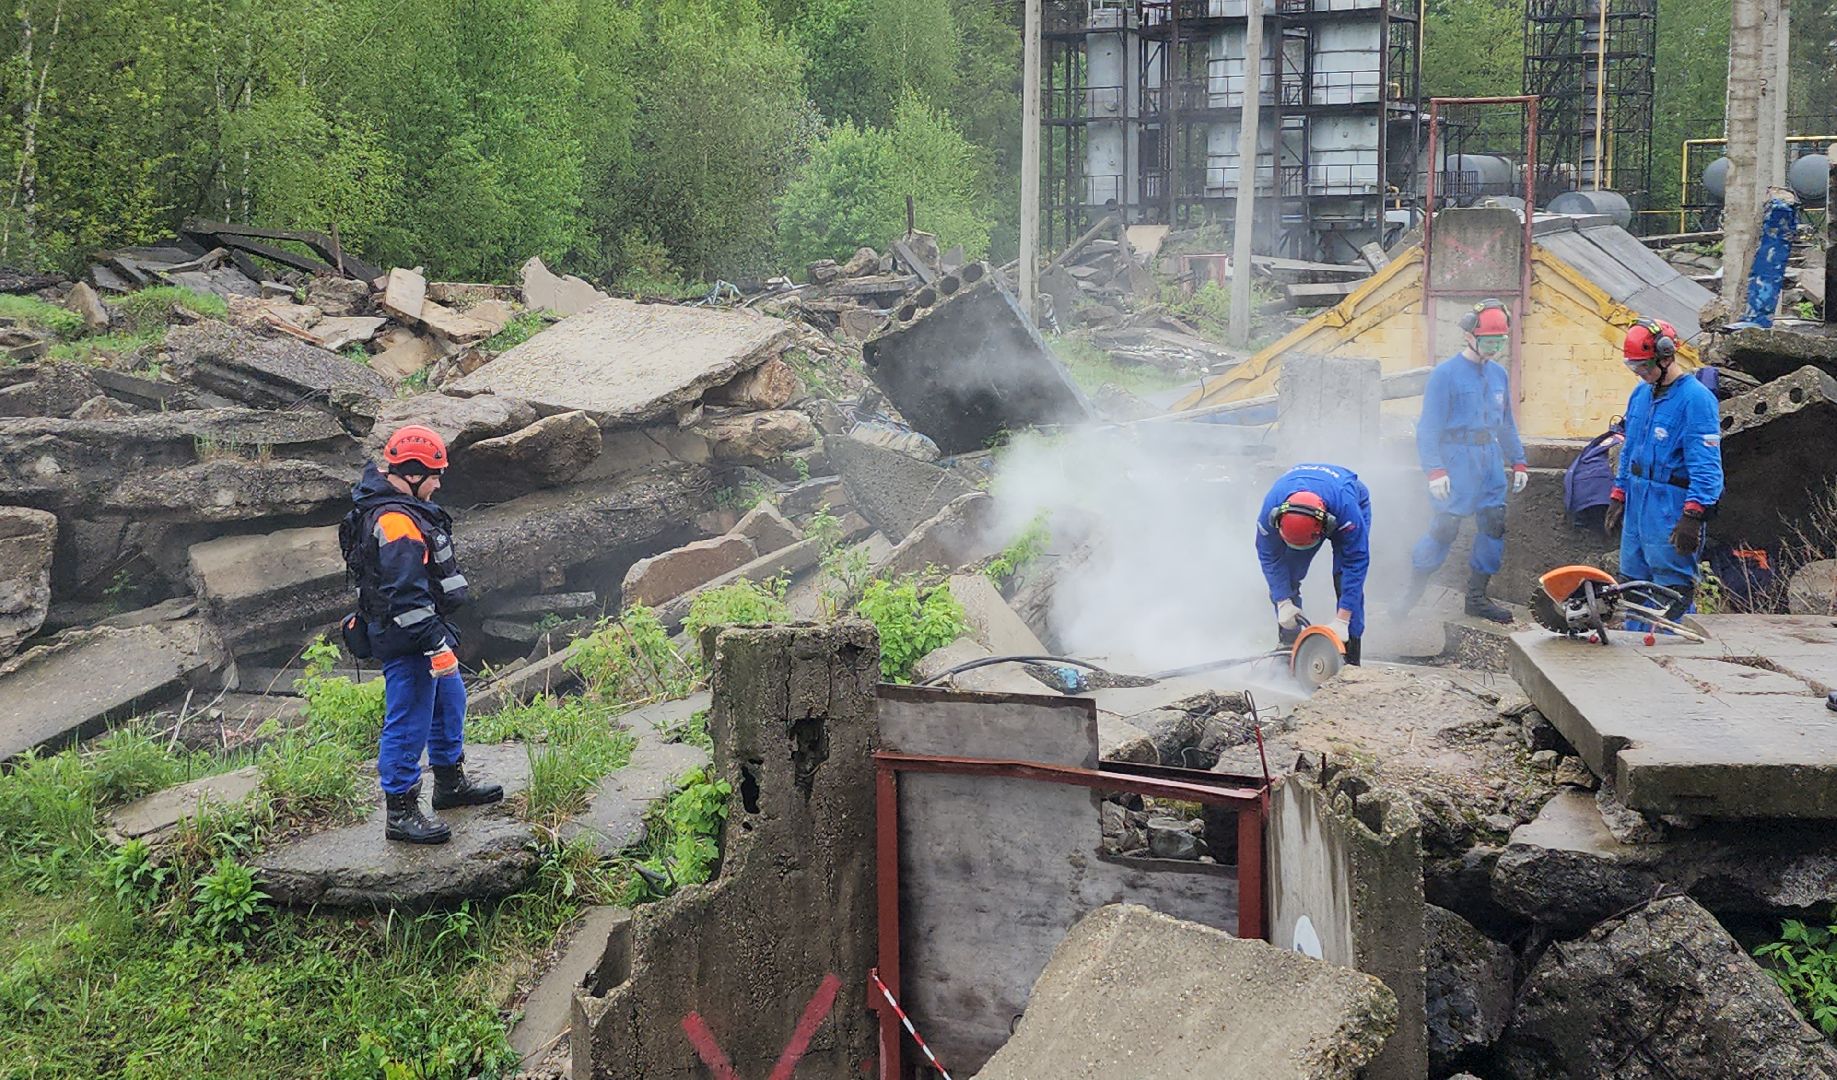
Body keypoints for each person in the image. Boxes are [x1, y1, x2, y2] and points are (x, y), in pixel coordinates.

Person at [343, 425, 501, 844]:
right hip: (408, 637)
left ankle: (450, 784)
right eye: (435, 474)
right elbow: (405, 595)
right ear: (411, 474)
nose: (439, 482)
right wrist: (434, 645)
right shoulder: (395, 522)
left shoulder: (403, 509)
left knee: (451, 701)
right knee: (409, 719)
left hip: (426, 629)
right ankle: (401, 810)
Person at [1396, 299, 1529, 623]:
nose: (1494, 348)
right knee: (1444, 528)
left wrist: (1519, 461)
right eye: (1489, 342)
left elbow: (1507, 422)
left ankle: (1477, 597)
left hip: (1490, 461)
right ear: (1470, 336)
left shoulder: (1498, 375)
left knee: (1493, 525)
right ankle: (1410, 595)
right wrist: (1435, 470)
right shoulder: (1445, 375)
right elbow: (1428, 428)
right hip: (1457, 462)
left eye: (1499, 342)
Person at [1606, 318, 1724, 622]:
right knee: (1631, 586)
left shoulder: (1696, 400)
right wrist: (1619, 493)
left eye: (1644, 367)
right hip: (1638, 500)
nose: (1640, 374)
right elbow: (1630, 448)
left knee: (1670, 590)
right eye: (1635, 368)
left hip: (1670, 506)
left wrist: (1694, 515)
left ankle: (1671, 656)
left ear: (1666, 355)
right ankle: (1635, 656)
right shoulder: (1641, 395)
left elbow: (1707, 465)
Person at [1255, 462, 1372, 666]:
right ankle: (1288, 649)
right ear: (1277, 521)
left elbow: (1356, 562)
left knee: (1344, 578)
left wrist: (1343, 619)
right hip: (1314, 504)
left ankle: (1351, 656)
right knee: (1288, 575)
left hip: (1348, 499)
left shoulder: (1346, 510)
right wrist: (1283, 602)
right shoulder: (1270, 510)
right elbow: (1269, 557)